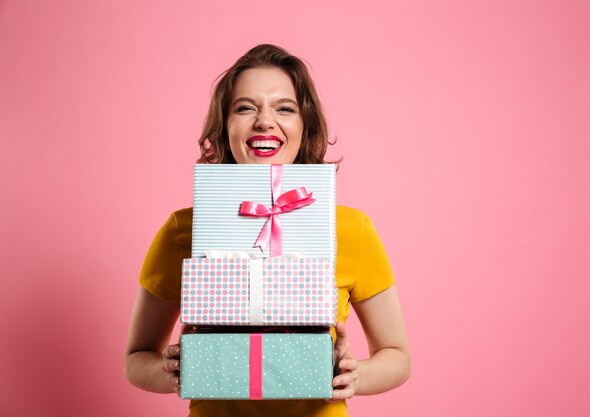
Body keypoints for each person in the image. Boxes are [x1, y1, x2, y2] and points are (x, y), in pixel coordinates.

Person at [124, 44, 411, 417]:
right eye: (245, 107)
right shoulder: (184, 230)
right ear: (224, 127)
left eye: (284, 108)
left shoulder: (350, 229)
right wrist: (172, 373)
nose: (264, 121)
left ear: (304, 125)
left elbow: (398, 356)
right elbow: (136, 358)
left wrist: (355, 375)